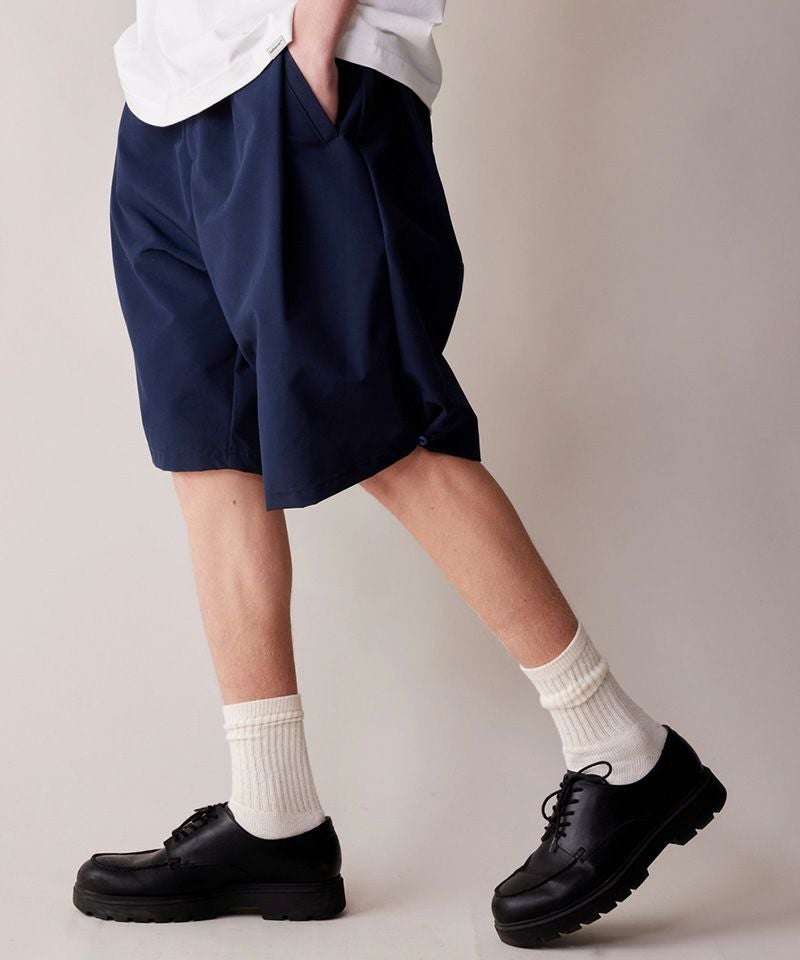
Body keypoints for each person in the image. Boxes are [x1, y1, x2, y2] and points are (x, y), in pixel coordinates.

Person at [72, 0, 727, 945]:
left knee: (383, 428)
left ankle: (622, 748)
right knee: (210, 454)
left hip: (291, 63)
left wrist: (313, 36)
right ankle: (273, 815)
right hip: (165, 92)